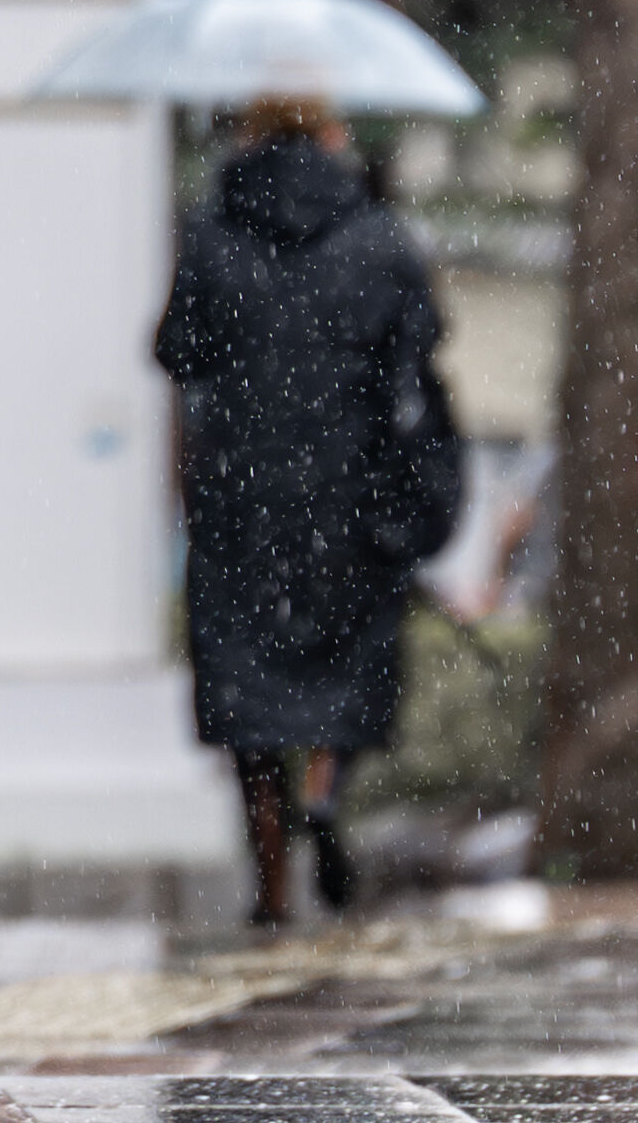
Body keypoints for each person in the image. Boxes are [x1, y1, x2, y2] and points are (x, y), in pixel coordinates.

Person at [154, 96, 459, 928]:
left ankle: (271, 879)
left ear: (249, 135)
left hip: (241, 500)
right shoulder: (381, 239)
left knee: (249, 698)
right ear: (332, 135)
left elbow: (177, 350)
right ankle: (323, 793)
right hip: (351, 502)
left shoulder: (213, 235)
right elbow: (422, 354)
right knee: (344, 673)